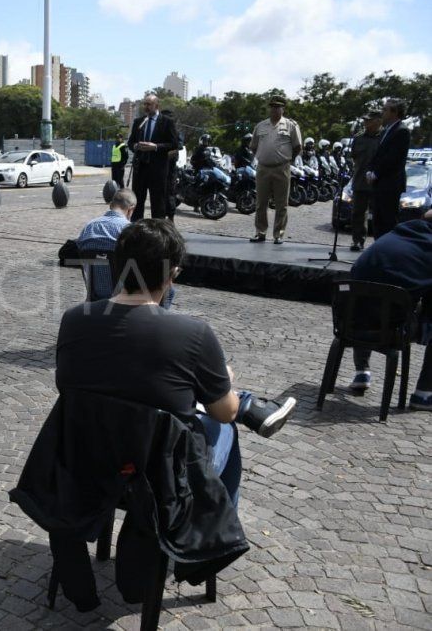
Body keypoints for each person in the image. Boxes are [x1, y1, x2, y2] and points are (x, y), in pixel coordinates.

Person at [56, 219, 297, 507]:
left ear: (117, 266)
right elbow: (224, 412)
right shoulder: (193, 333)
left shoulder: (73, 319)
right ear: (172, 274)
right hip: (161, 475)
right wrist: (225, 383)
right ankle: (219, 534)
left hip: (90, 460)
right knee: (228, 428)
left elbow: (68, 387)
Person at [346, 209, 432, 409]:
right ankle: (424, 394)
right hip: (389, 328)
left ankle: (362, 371)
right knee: (386, 306)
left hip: (348, 321)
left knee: (368, 299)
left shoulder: (391, 237)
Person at [249, 95, 302, 245]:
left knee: (281, 204)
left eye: (278, 107)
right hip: (263, 168)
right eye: (272, 107)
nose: (275, 110)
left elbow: (297, 147)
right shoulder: (260, 126)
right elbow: (253, 146)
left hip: (282, 168)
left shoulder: (291, 125)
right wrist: (264, 157)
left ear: (283, 109)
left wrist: (286, 159)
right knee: (261, 203)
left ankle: (278, 234)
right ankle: (260, 232)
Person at [76, 188, 137, 301]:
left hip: (94, 297)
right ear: (131, 210)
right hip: (123, 299)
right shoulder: (130, 231)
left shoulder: (89, 227)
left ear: (111, 205)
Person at [126, 94, 179, 221]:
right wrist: (136, 146)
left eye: (149, 104)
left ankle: (157, 231)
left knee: (158, 203)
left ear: (156, 105)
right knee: (137, 201)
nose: (146, 107)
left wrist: (155, 147)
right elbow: (130, 142)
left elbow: (174, 144)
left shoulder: (167, 122)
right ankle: (137, 228)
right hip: (140, 169)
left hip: (158, 170)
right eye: (145, 104)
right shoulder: (139, 122)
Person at [366, 98, 410, 239]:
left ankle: (387, 253)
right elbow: (377, 154)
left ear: (395, 112)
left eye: (385, 110)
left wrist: (376, 173)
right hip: (379, 184)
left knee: (387, 221)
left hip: (390, 184)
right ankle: (378, 250)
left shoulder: (402, 131)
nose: (382, 112)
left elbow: (393, 158)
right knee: (377, 221)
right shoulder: (385, 131)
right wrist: (370, 170)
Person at [349, 110, 383, 251]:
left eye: (369, 120)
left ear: (378, 121)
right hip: (360, 181)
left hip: (378, 183)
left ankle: (380, 244)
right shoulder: (358, 138)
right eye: (365, 120)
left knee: (380, 214)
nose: (365, 122)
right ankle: (358, 240)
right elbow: (354, 157)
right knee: (358, 213)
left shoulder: (385, 137)